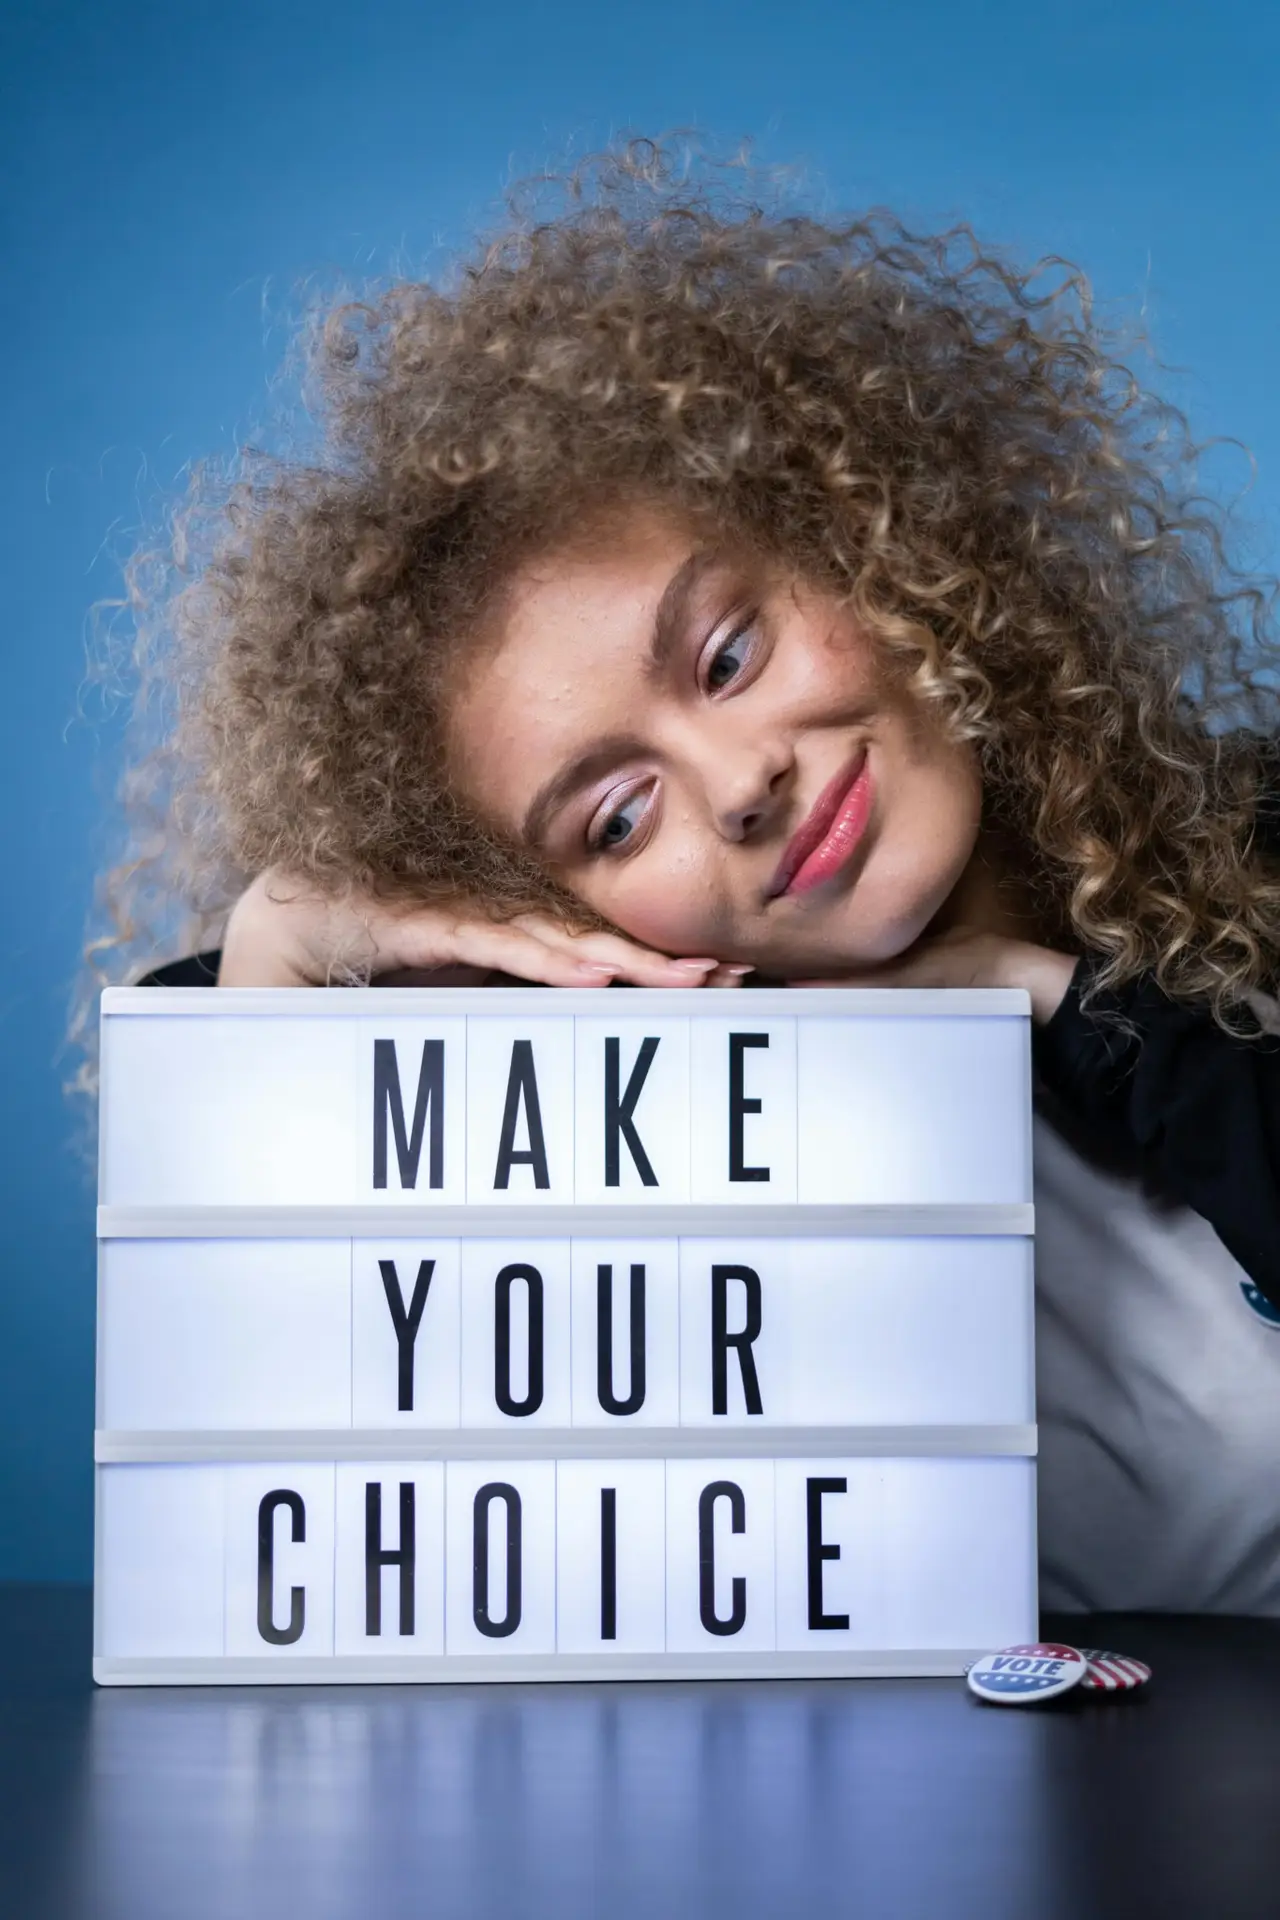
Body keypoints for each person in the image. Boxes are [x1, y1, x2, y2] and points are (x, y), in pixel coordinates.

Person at [84, 142, 1280, 1616]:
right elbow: (278, 1485)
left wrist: (1051, 1000)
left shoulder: (1254, 843)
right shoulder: (631, 1124)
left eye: (728, 656)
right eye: (618, 818)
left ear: (871, 549)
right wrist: (289, 941)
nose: (741, 785)